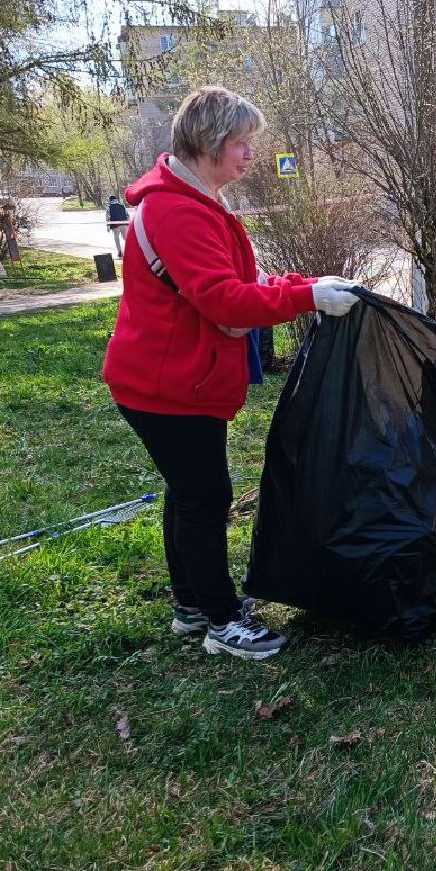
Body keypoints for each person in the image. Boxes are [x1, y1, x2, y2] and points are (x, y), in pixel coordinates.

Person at [102, 85, 360, 661]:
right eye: (242, 144)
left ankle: (193, 606)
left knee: (189, 491)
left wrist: (305, 288)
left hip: (172, 380)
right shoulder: (177, 210)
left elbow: (241, 284)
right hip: (165, 385)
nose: (249, 155)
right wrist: (308, 299)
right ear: (211, 142)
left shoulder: (193, 201)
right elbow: (224, 302)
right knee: (204, 495)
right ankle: (220, 621)